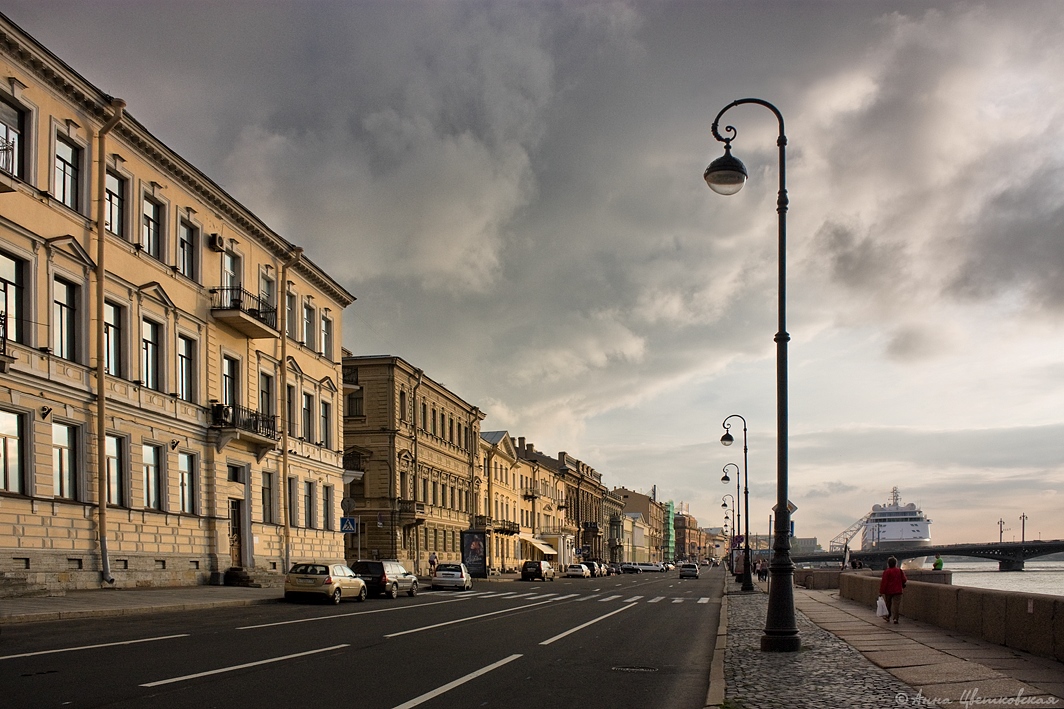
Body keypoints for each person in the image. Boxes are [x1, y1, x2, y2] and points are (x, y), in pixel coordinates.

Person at [879, 556, 908, 624]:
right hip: (898, 590)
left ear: (888, 564)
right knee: (896, 605)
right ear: (896, 563)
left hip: (888, 591)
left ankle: (888, 616)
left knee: (888, 604)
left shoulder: (886, 571)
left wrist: (881, 592)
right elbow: (904, 579)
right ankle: (896, 618)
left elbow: (884, 582)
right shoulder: (899, 570)